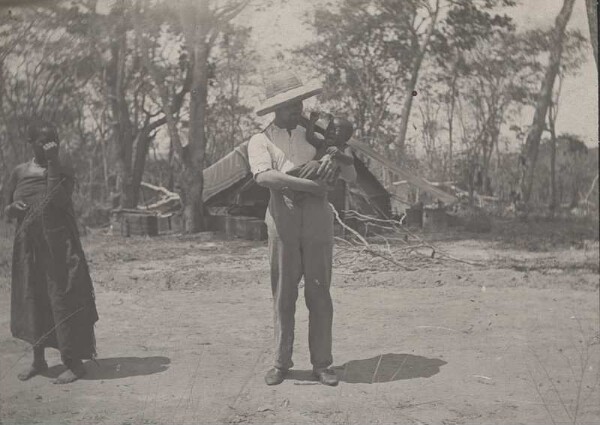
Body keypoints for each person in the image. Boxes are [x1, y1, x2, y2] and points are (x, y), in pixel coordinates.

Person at [248, 70, 357, 386]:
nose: (298, 110)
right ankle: (281, 362)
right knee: (283, 293)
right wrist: (308, 184)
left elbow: (349, 178)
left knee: (319, 290)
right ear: (275, 109)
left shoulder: (316, 135)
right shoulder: (261, 139)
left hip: (317, 218)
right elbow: (264, 178)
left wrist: (339, 155)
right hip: (283, 216)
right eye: (290, 105)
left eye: (300, 103)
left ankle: (322, 363)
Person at [4, 119, 99, 384]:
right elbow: (6, 207)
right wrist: (13, 209)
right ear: (31, 142)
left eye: (54, 139)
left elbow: (59, 198)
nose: (50, 145)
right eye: (43, 140)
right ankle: (38, 360)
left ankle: (74, 363)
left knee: (63, 297)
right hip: (29, 248)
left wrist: (54, 161)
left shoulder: (62, 167)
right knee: (34, 297)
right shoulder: (19, 171)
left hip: (60, 246)